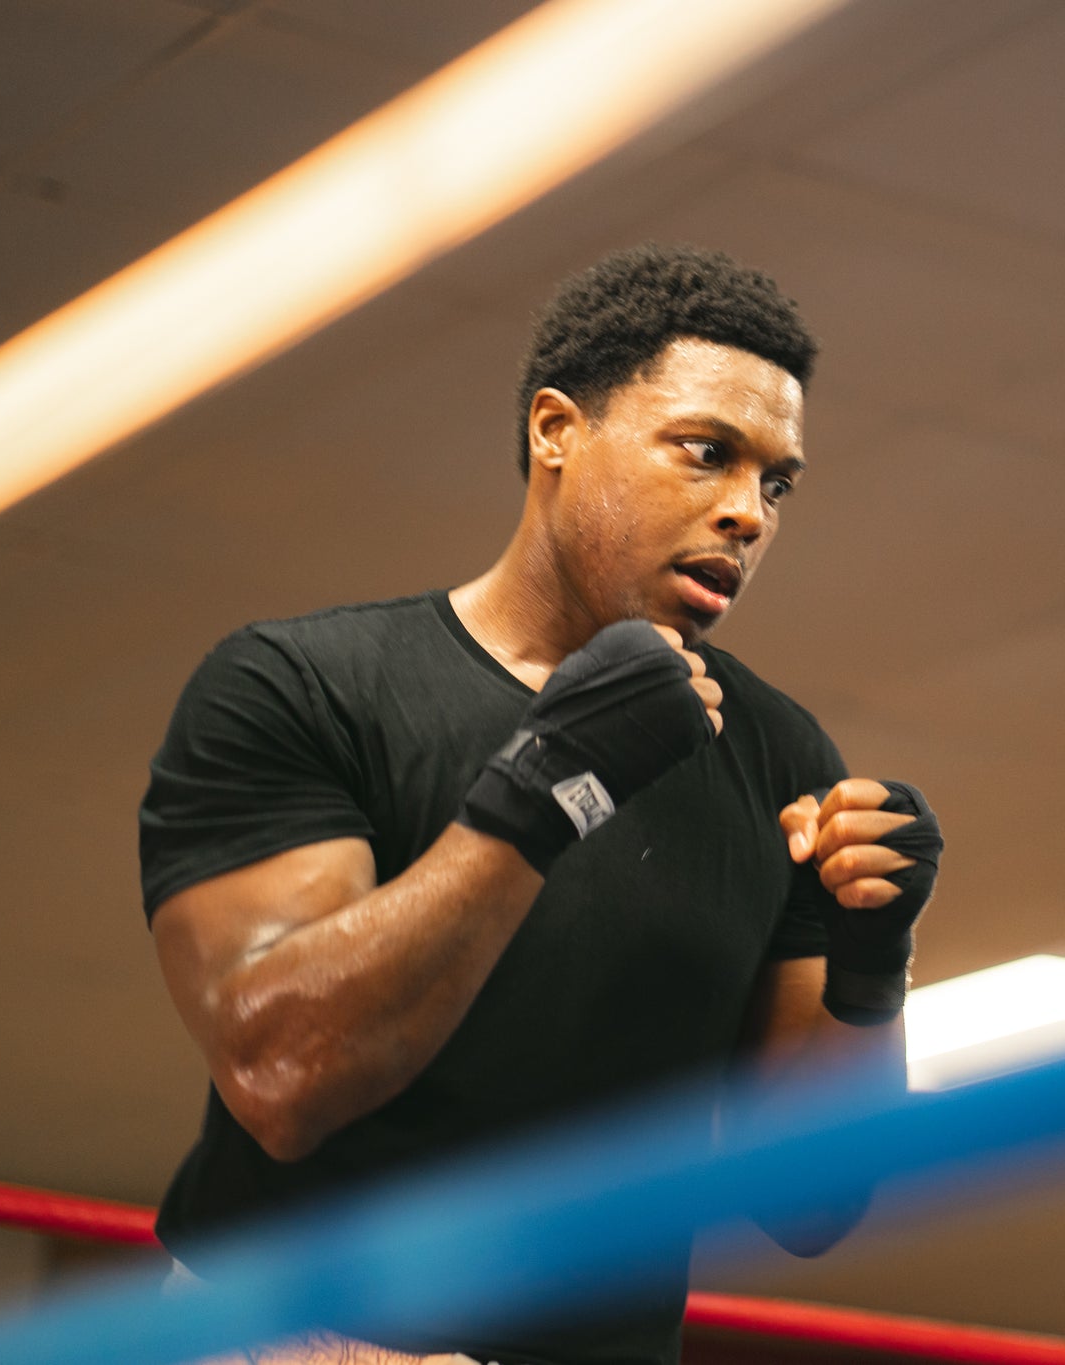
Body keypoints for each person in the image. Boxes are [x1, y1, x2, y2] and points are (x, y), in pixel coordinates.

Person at [138, 244, 943, 1365]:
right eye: (706, 453)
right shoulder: (309, 684)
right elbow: (286, 1074)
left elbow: (813, 1208)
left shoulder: (776, 756)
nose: (749, 513)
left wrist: (872, 964)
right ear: (555, 430)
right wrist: (547, 781)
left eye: (775, 481)